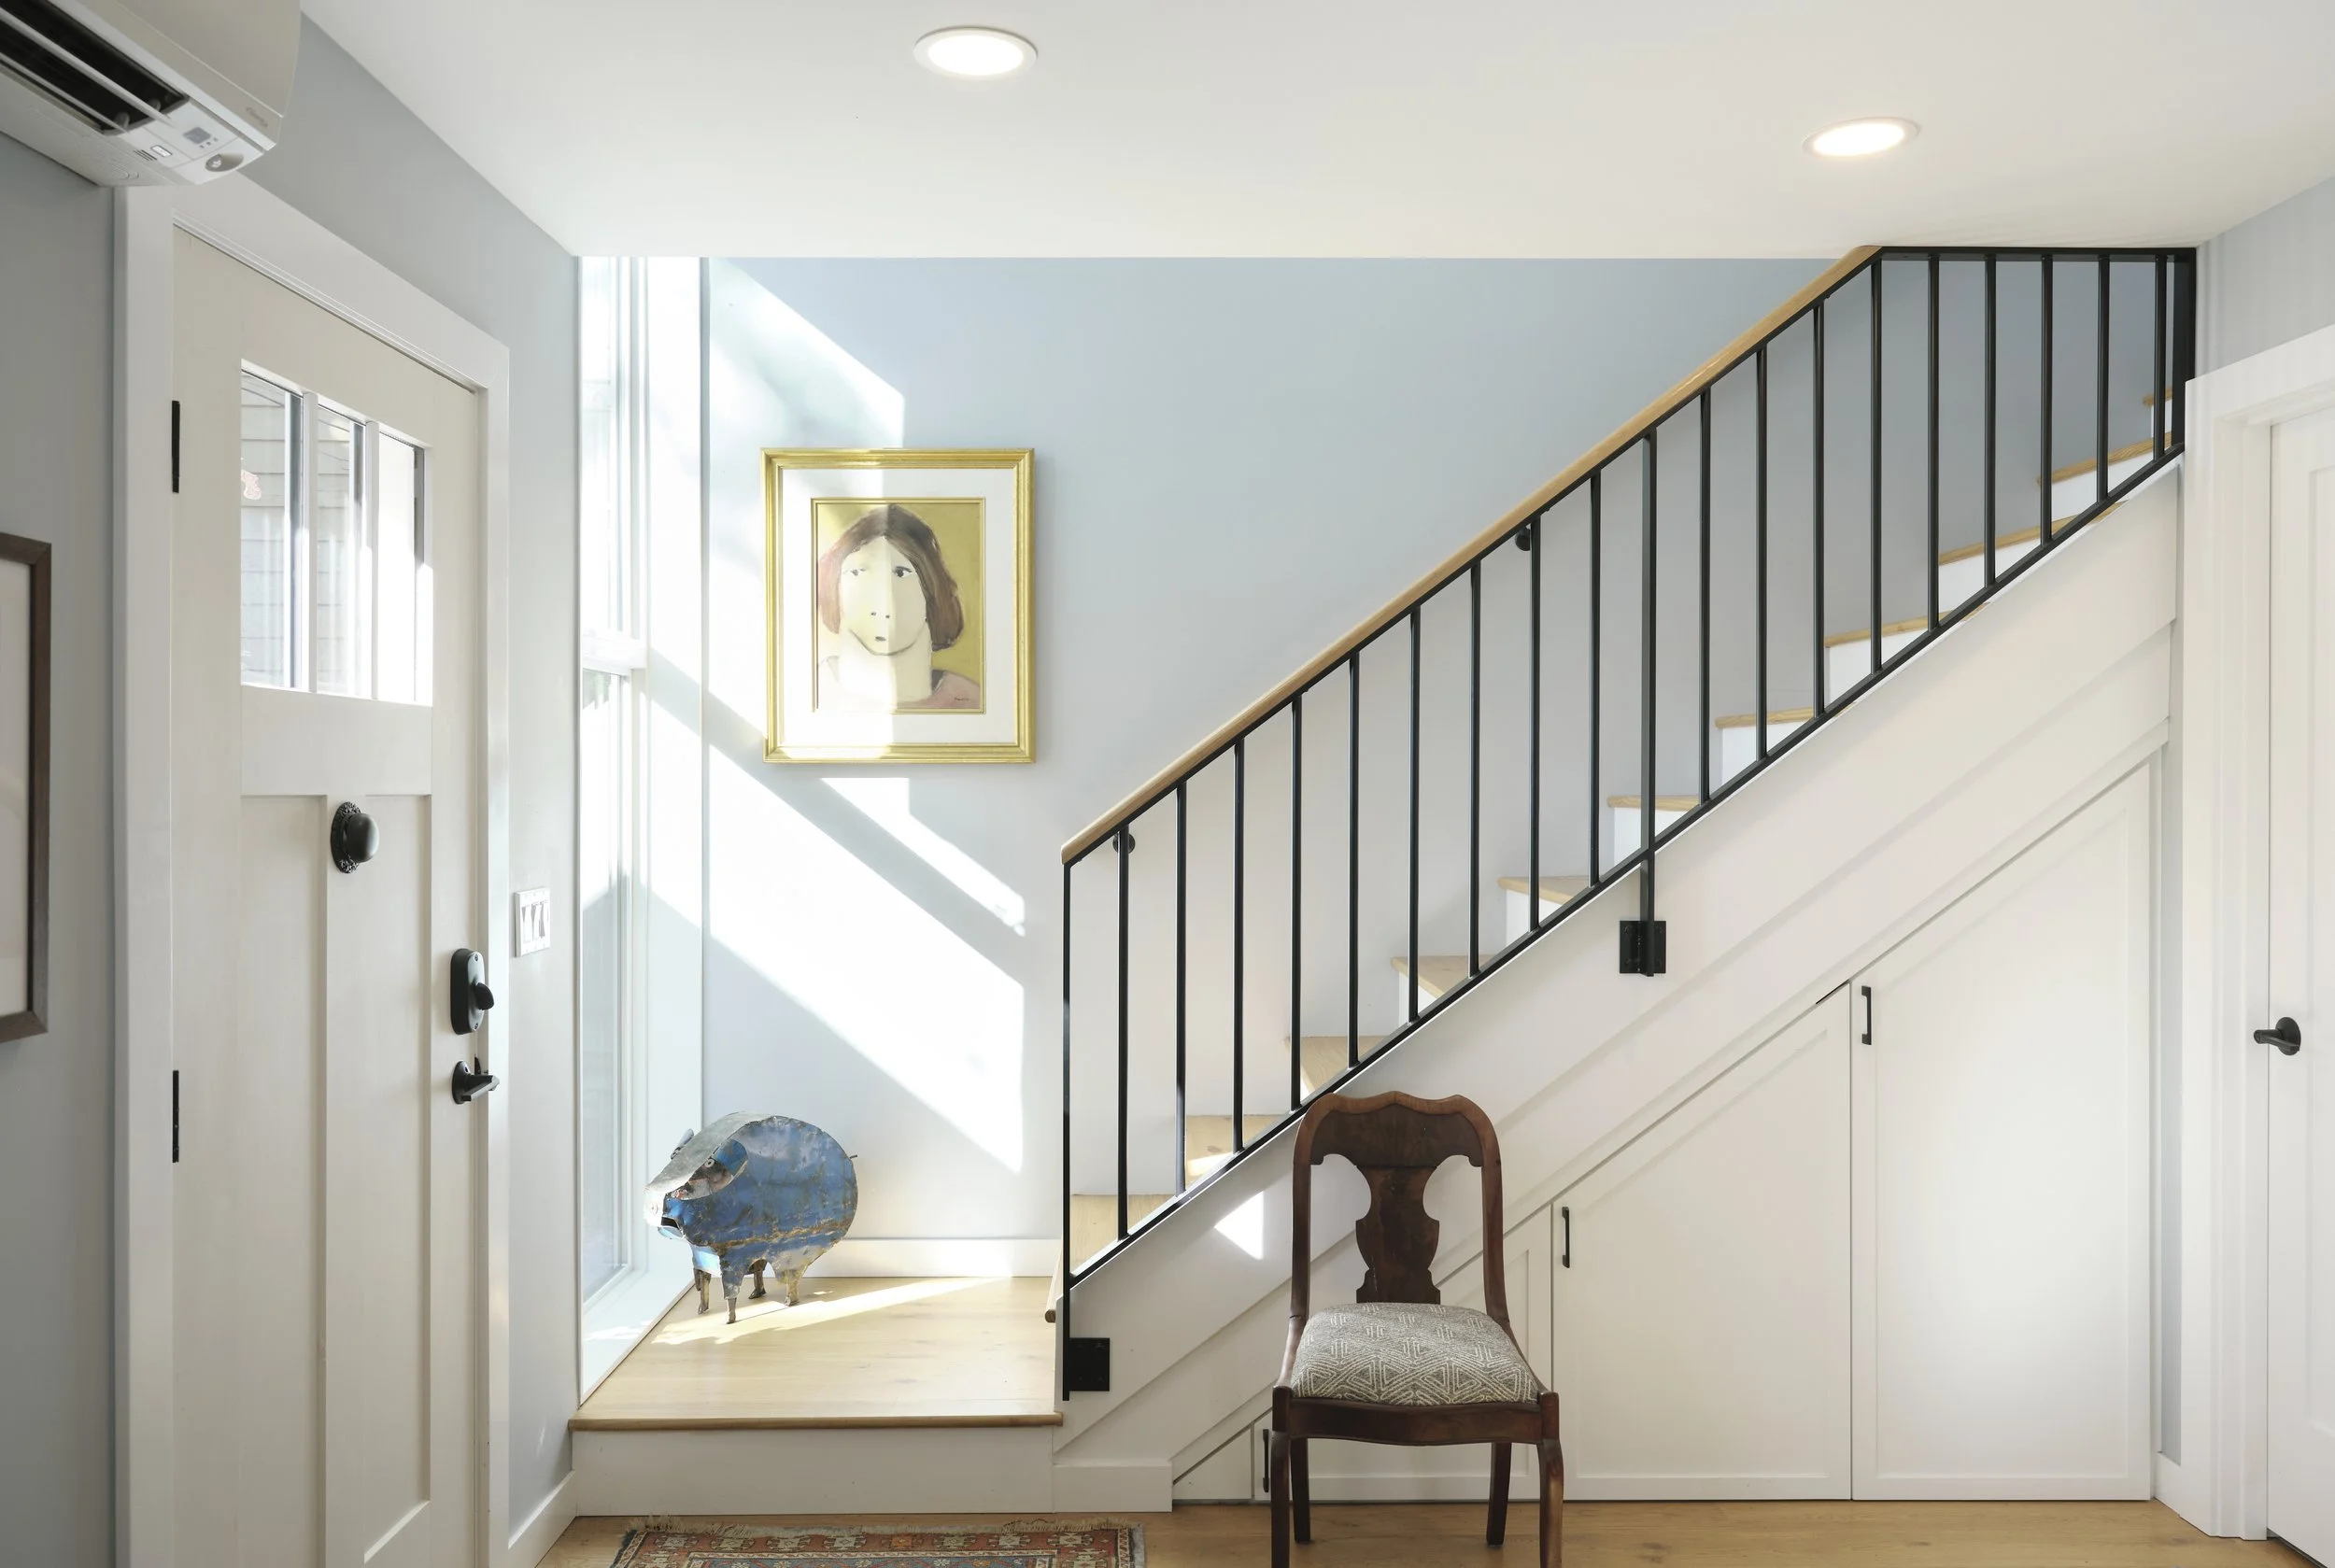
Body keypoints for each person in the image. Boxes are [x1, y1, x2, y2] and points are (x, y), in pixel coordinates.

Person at [815, 502, 982, 712]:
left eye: (901, 573)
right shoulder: (808, 697)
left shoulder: (971, 701)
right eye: (858, 572)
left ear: (932, 588)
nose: (882, 601)